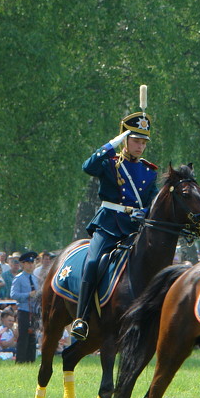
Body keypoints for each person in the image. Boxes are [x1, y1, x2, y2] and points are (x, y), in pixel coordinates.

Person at [70, 108, 157, 341]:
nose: (140, 146)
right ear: (125, 141)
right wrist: (112, 143)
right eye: (135, 141)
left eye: (143, 142)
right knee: (93, 263)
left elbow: (154, 201)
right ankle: (82, 318)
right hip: (109, 224)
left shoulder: (149, 171)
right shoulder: (110, 164)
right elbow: (88, 167)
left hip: (135, 229)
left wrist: (145, 213)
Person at [10, 251, 40, 363]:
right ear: (23, 264)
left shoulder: (36, 278)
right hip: (24, 311)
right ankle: (21, 361)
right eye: (28, 263)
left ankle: (31, 360)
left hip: (34, 311)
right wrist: (28, 294)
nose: (31, 265)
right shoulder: (19, 278)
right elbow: (13, 294)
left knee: (33, 337)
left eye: (32, 263)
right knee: (24, 337)